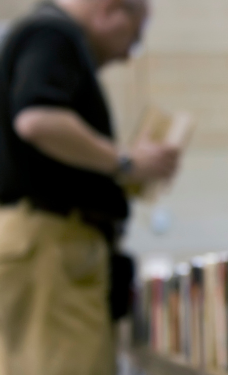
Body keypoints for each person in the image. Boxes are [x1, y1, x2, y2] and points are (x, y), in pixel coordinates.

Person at [0, 0, 180, 374]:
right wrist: (124, 160)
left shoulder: (47, 35)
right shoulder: (53, 34)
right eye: (134, 35)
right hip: (52, 245)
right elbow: (38, 119)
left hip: (47, 244)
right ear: (111, 10)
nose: (129, 54)